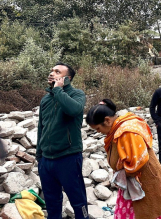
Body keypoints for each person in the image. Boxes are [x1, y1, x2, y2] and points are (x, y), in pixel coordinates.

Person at [86, 99, 161, 219]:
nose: (99, 132)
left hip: (144, 181)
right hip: (132, 182)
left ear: (107, 120)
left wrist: (120, 171)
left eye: (98, 129)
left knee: (147, 212)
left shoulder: (127, 132)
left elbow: (137, 161)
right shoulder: (118, 128)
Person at [36, 62, 89, 219]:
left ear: (68, 78)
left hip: (68, 157)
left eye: (57, 72)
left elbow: (73, 110)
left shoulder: (77, 95)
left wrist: (58, 90)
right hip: (46, 161)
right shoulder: (45, 100)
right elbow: (41, 128)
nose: (52, 73)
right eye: (52, 70)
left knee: (78, 201)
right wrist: (39, 156)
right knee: (52, 203)